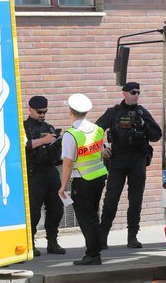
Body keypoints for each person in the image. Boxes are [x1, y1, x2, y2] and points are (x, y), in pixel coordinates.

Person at [96, 82, 162, 249]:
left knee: (135, 200)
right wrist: (102, 148)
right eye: (133, 92)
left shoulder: (142, 112)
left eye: (138, 92)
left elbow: (156, 135)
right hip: (117, 160)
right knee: (111, 198)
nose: (136, 95)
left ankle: (132, 236)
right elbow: (95, 131)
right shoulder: (114, 112)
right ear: (124, 93)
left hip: (137, 160)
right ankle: (102, 237)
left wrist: (144, 124)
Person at [58, 93, 108, 265]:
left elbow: (67, 163)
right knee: (93, 214)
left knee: (86, 218)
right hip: (99, 176)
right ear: (86, 112)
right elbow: (101, 152)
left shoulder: (70, 135)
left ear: (70, 111)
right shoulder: (98, 130)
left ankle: (93, 254)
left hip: (83, 180)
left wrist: (63, 186)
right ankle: (96, 248)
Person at [23, 95, 65, 257]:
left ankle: (52, 242)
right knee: (33, 211)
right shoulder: (24, 128)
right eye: (39, 112)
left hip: (50, 171)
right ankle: (30, 243)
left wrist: (58, 142)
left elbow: (56, 153)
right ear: (31, 110)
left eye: (45, 112)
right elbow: (23, 146)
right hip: (34, 173)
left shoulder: (50, 127)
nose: (42, 115)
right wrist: (44, 140)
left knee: (56, 208)